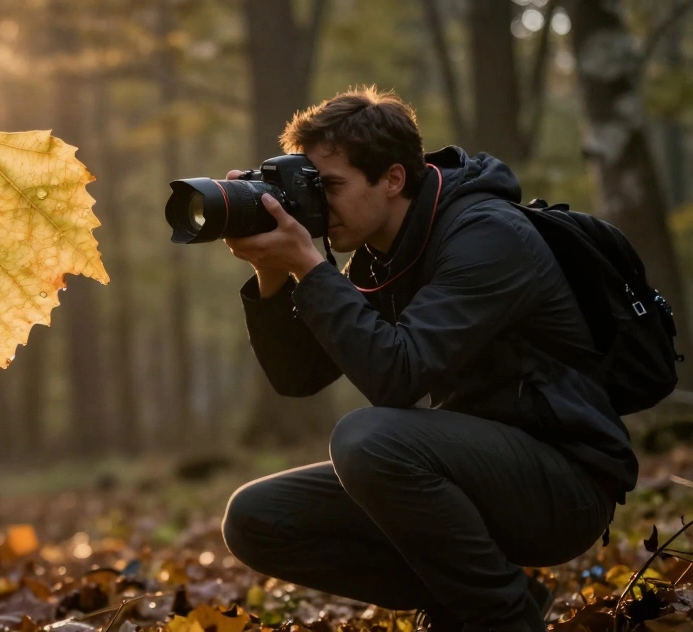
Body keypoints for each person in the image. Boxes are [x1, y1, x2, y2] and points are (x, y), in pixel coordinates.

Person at [219, 86, 634, 632]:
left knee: (367, 439)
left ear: (392, 179)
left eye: (332, 187)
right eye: (312, 189)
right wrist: (272, 271)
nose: (319, 206)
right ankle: (481, 600)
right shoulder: (379, 251)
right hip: (465, 475)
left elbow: (397, 378)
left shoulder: (486, 235)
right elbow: (299, 377)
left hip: (563, 483)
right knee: (257, 519)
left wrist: (312, 269)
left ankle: (503, 619)